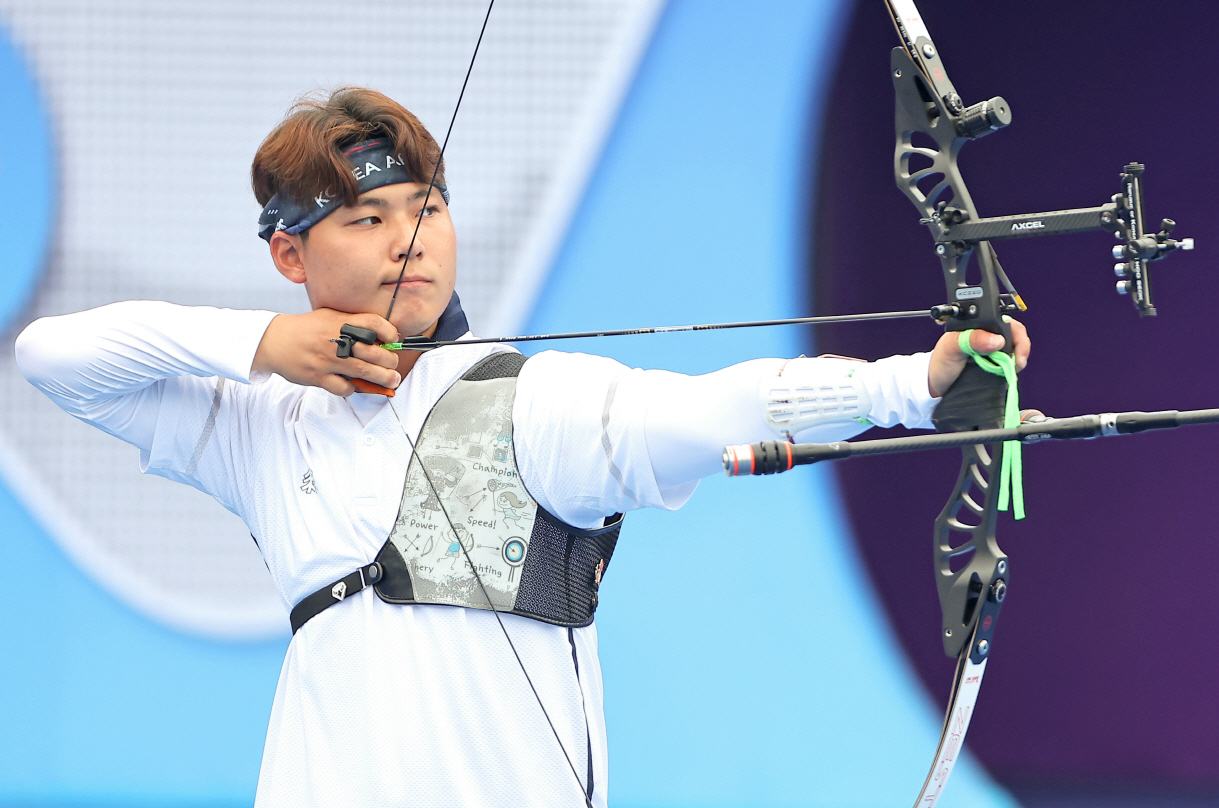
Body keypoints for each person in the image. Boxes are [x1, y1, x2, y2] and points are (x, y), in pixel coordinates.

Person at [14, 87, 1030, 807]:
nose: (410, 241)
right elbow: (52, 354)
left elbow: (709, 411)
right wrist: (265, 343)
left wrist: (910, 386)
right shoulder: (261, 430)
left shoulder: (528, 403)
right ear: (290, 254)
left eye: (428, 210)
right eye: (366, 219)